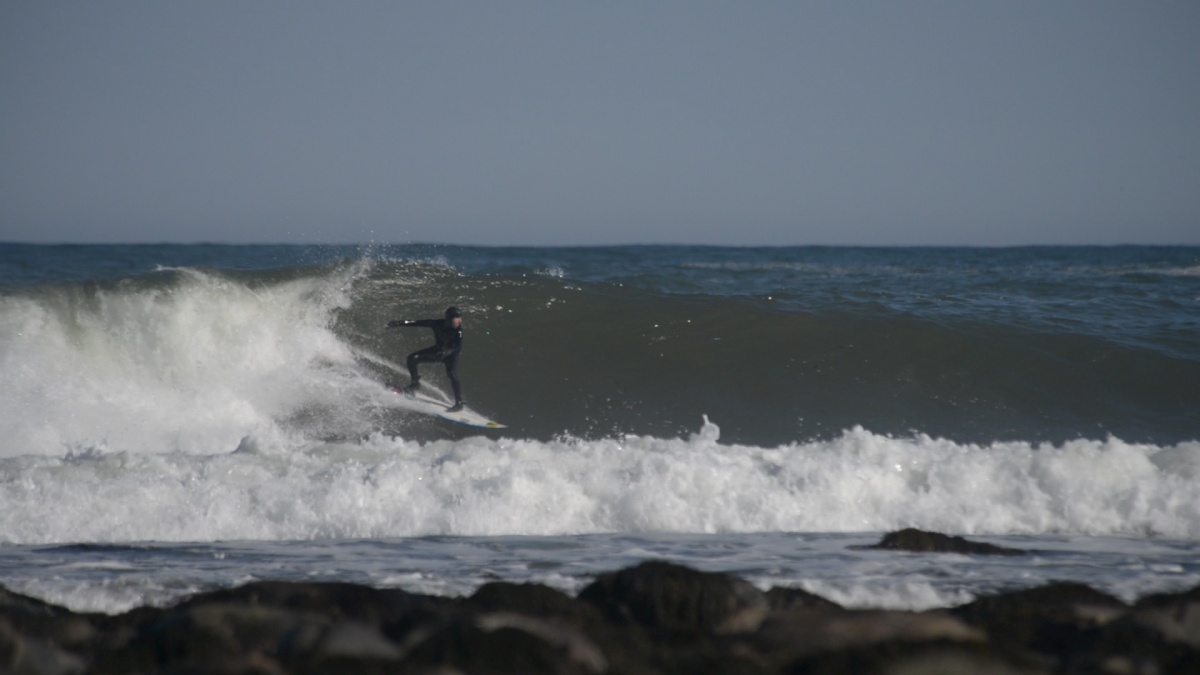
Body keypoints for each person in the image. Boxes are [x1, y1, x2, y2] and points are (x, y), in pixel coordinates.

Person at [387, 306, 465, 412]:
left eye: (460, 317)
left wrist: (447, 352)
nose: (460, 320)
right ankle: (414, 385)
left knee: (452, 374)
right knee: (412, 358)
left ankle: (459, 402)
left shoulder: (458, 331)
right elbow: (416, 322)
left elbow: (458, 347)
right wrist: (399, 323)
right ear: (449, 318)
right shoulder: (437, 324)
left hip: (451, 355)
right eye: (457, 317)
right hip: (438, 352)